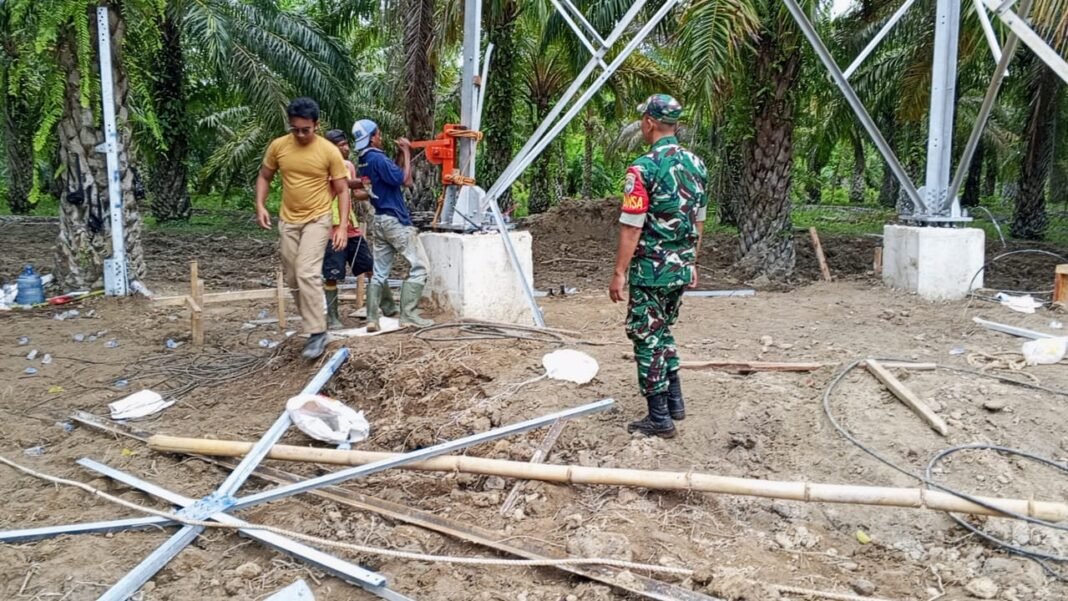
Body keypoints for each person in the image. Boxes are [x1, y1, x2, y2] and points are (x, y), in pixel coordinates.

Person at [608, 94, 708, 438]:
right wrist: (692, 261)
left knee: (645, 335)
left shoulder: (643, 169)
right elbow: (698, 221)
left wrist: (619, 271)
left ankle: (659, 418)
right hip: (680, 266)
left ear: (649, 123)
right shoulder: (697, 165)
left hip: (651, 269)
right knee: (662, 329)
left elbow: (632, 225)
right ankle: (675, 402)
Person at [255, 97, 351, 359]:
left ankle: (317, 331)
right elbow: (265, 175)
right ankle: (314, 325)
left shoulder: (328, 151)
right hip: (288, 220)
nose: (299, 134)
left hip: (317, 219)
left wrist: (341, 227)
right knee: (292, 277)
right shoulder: (278, 147)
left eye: (305, 130)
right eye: (294, 129)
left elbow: (342, 190)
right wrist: (260, 205)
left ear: (316, 125)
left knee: (307, 272)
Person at [351, 118, 434, 330]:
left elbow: (390, 177)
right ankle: (409, 315)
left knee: (379, 272)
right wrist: (406, 152)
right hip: (395, 220)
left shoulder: (363, 160)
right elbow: (405, 180)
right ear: (371, 137)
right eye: (378, 134)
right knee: (420, 267)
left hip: (378, 219)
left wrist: (397, 157)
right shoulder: (378, 158)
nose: (380, 137)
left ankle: (372, 318)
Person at [322, 129, 374, 330]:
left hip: (350, 227)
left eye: (346, 144)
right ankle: (333, 318)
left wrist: (371, 192)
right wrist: (368, 179)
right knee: (332, 274)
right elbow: (342, 184)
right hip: (331, 228)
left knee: (369, 267)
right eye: (341, 144)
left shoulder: (349, 166)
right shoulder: (323, 167)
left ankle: (372, 313)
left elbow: (357, 193)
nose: (346, 148)